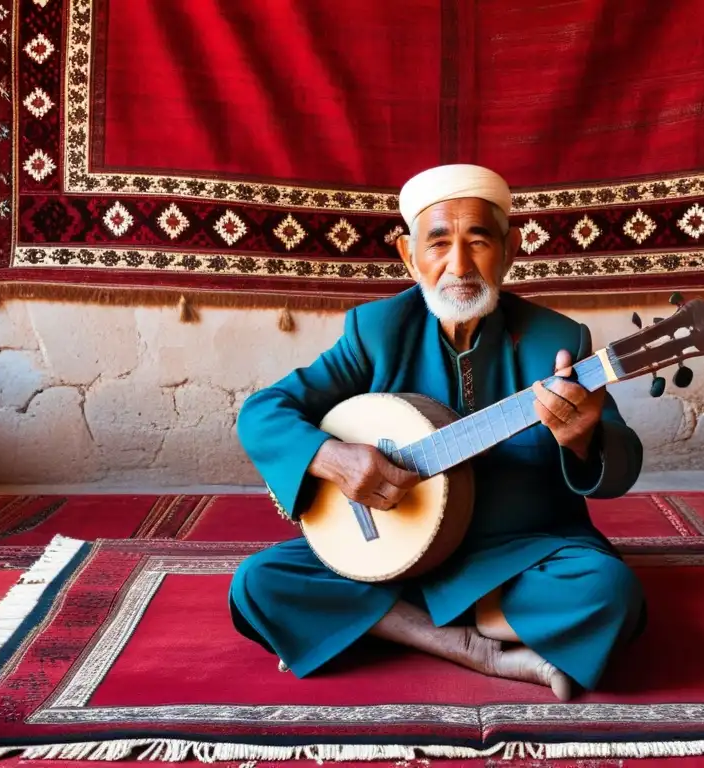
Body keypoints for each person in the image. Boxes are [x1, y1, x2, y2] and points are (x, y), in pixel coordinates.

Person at [229, 164, 646, 701]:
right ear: (408, 255)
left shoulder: (557, 341)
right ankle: (474, 648)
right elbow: (264, 412)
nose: (459, 265)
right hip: (392, 553)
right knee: (257, 584)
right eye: (439, 243)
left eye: (479, 241)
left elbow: (623, 460)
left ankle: (386, 623)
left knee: (609, 593)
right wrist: (331, 458)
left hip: (519, 555)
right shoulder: (377, 332)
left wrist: (583, 438)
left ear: (510, 248)